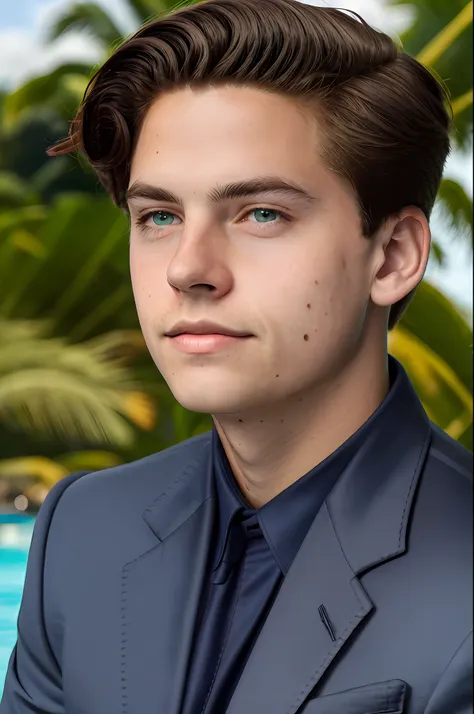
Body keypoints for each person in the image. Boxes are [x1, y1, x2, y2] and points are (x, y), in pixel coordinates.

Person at [1, 0, 472, 712]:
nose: (188, 269)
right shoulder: (84, 529)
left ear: (393, 256)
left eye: (260, 214)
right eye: (159, 216)